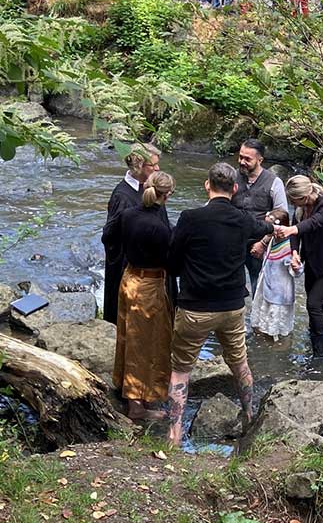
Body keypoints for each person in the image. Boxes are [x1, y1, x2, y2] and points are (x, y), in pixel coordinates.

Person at [166, 162, 273, 445]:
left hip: (195, 308)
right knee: (240, 364)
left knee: (180, 370)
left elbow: (173, 263)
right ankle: (250, 417)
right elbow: (266, 227)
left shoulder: (190, 218)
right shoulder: (242, 220)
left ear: (206, 185)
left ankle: (174, 435)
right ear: (235, 189)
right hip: (232, 307)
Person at [101, 170, 175, 421]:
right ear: (167, 195)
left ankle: (126, 387)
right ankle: (137, 405)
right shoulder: (160, 226)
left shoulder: (127, 214)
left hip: (128, 278)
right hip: (150, 285)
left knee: (127, 336)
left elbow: (107, 236)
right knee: (145, 343)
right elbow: (172, 262)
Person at [274, 175, 323, 359]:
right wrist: (295, 253)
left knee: (314, 305)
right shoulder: (301, 209)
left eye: (293, 200)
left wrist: (290, 230)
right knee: (312, 307)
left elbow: (313, 224)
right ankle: (313, 341)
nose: (291, 203)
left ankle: (321, 356)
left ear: (304, 196)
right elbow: (297, 234)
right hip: (312, 264)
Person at [102, 143, 162, 325]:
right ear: (139, 166)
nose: (158, 169)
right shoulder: (122, 196)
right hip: (128, 269)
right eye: (153, 165)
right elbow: (110, 237)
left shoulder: (150, 189)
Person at [234, 139, 289, 311]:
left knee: (258, 286)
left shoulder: (274, 182)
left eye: (247, 159)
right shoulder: (232, 176)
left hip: (259, 243)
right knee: (230, 285)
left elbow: (283, 215)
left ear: (260, 160)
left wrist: (263, 243)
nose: (242, 161)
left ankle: (258, 323)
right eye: (240, 157)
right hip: (232, 242)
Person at [248, 209, 303, 341]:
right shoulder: (272, 240)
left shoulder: (289, 246)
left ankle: (277, 342)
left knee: (276, 321)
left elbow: (298, 271)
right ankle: (262, 336)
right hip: (265, 285)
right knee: (262, 317)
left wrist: (296, 267)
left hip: (279, 291)